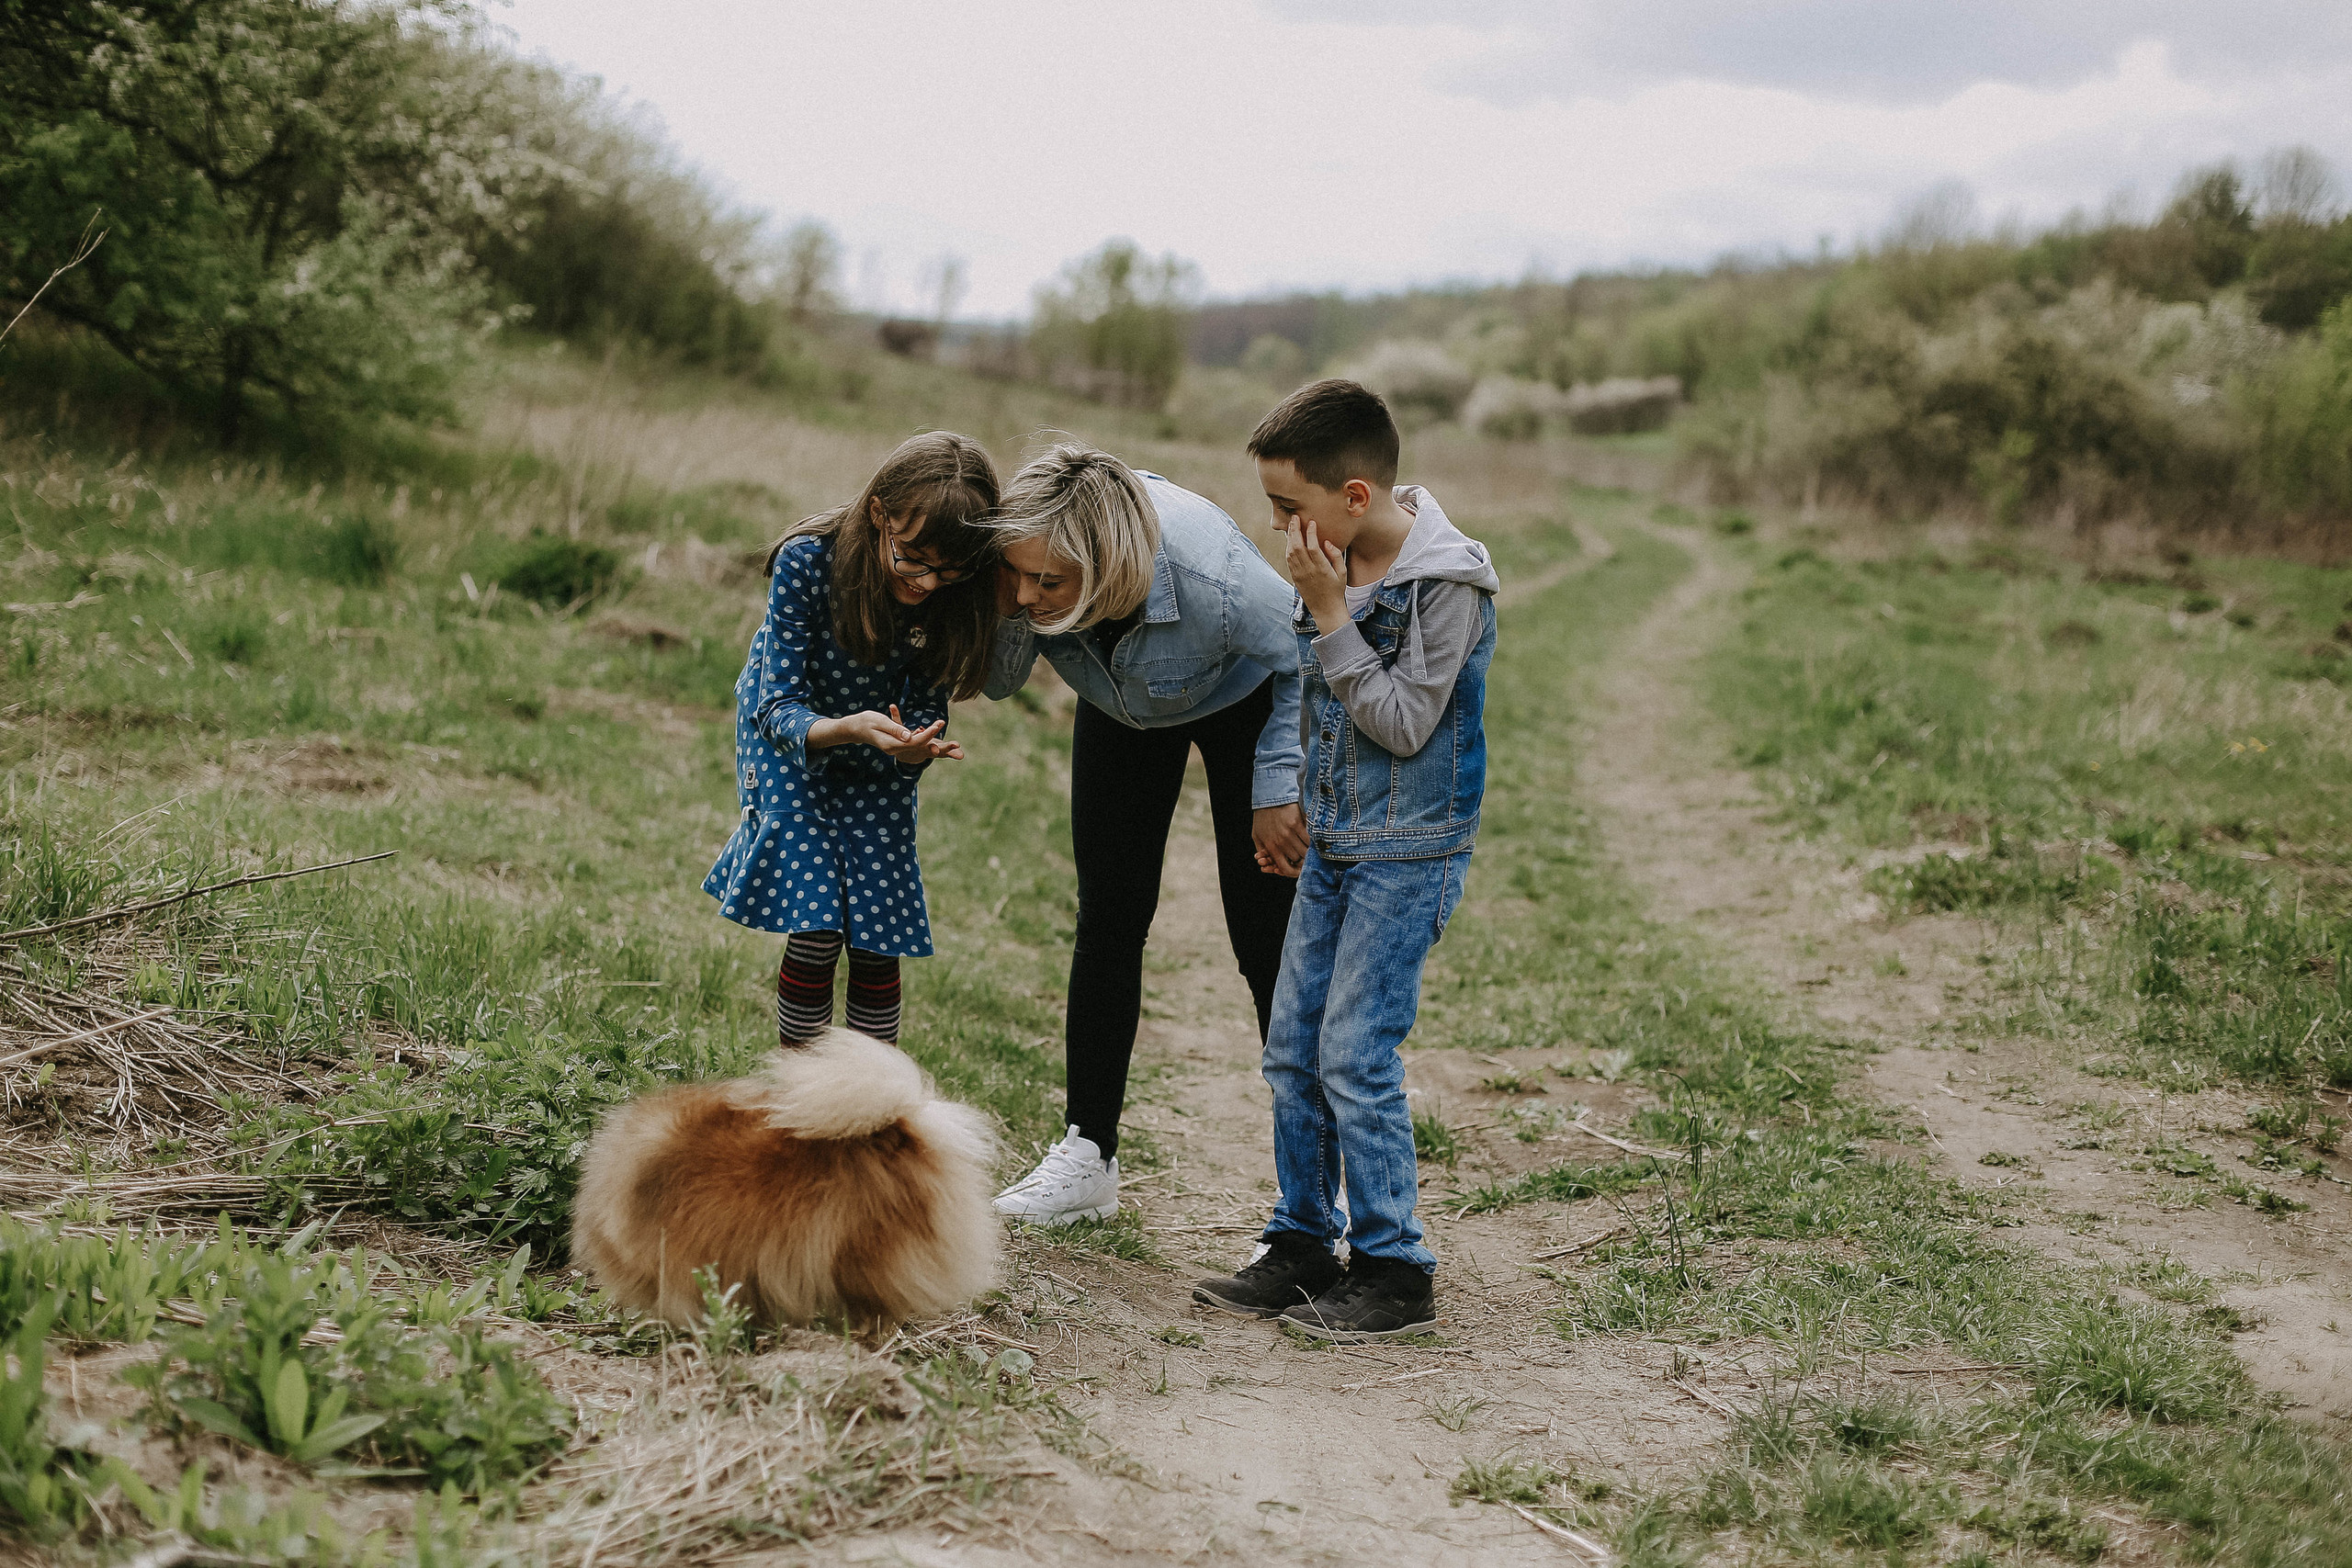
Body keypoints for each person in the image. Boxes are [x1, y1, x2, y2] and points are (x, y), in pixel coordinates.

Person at [1193, 380, 1499, 1341]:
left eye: (1291, 508)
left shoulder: (1443, 585)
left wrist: (1332, 614)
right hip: (1334, 843)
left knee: (1354, 1054)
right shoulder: (1324, 565)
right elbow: (1300, 693)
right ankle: (1299, 1243)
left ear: (1355, 496)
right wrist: (1279, 789)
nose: (1281, 528)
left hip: (1407, 853)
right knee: (1293, 1050)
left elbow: (1406, 724)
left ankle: (1394, 1267)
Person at [984, 444, 1306, 1225]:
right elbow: (994, 681)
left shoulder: (1218, 581)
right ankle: (1088, 1156)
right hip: (1122, 709)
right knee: (1109, 918)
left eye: (1046, 583)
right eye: (1017, 574)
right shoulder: (1029, 577)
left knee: (1264, 936)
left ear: (1104, 567)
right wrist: (994, 603)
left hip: (1245, 699)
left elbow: (1308, 656)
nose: (1027, 595)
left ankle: (1310, 1185)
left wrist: (1278, 783)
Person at [703, 431, 1001, 1047]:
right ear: (878, 514)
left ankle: (869, 1099)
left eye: (948, 569)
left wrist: (913, 751)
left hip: (877, 757)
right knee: (817, 929)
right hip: (791, 740)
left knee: (874, 932)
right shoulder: (808, 562)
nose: (927, 582)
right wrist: (844, 729)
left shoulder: (946, 594)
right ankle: (806, 1089)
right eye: (913, 558)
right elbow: (773, 701)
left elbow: (922, 706)